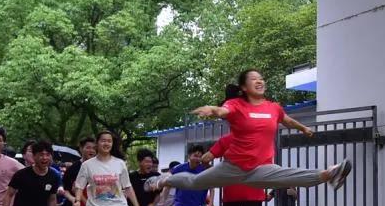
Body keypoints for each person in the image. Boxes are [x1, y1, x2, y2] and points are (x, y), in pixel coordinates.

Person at [149, 69, 351, 194]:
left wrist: (303, 128)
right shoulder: (236, 105)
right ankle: (164, 180)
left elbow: (286, 119)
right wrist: (212, 109)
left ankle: (329, 174)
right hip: (234, 167)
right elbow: (223, 111)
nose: (259, 81)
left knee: (288, 176)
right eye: (254, 79)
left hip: (261, 168)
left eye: (261, 78)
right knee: (195, 182)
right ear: (244, 87)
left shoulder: (273, 108)